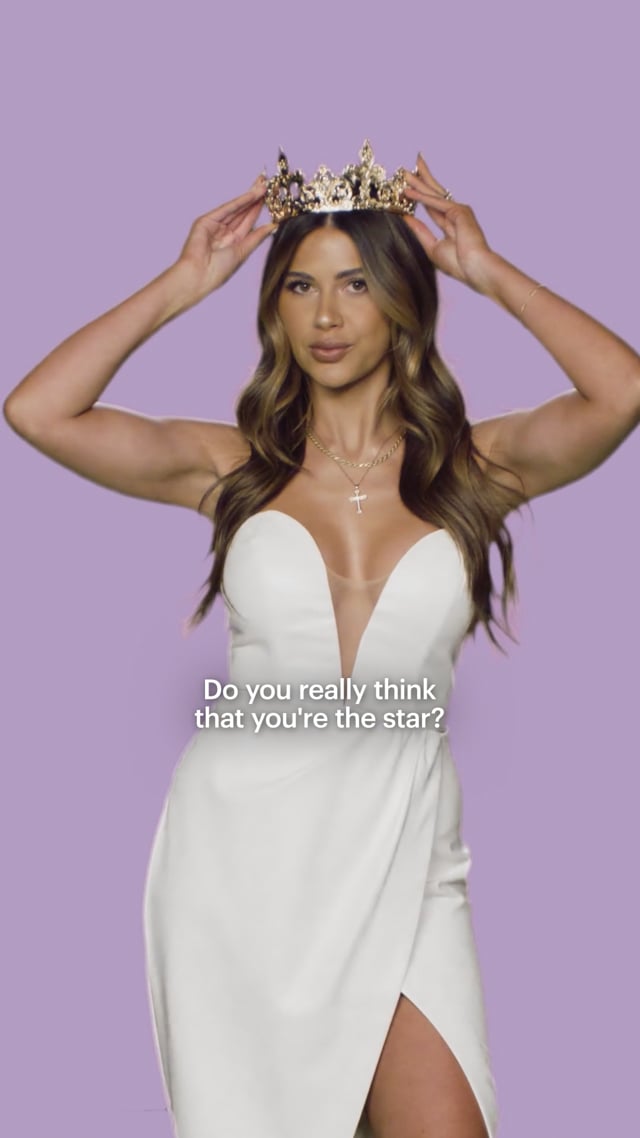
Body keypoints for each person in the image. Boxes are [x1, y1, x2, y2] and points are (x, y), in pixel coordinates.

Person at [4, 140, 640, 1138]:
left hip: (402, 853)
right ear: (274, 308)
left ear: (402, 301)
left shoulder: (475, 469)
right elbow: (36, 410)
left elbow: (622, 393)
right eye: (301, 285)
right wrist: (181, 285)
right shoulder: (233, 468)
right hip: (242, 862)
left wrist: (485, 270)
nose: (327, 315)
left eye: (355, 283)